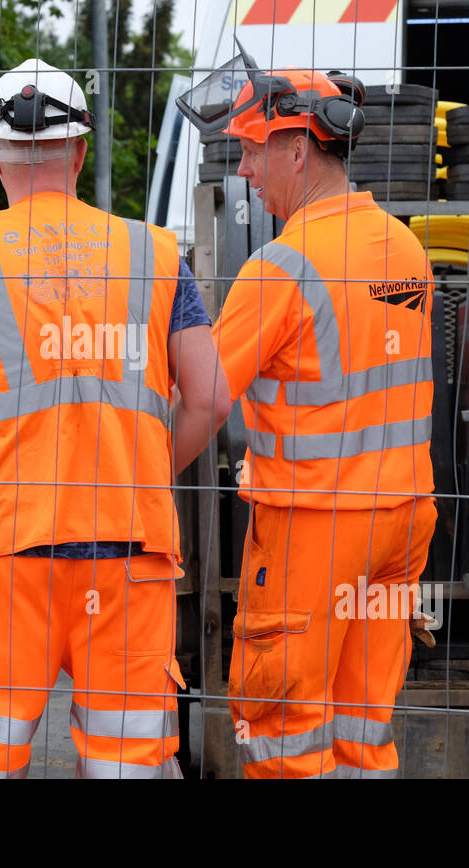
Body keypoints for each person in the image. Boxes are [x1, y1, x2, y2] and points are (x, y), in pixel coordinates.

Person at [0, 58, 229, 778]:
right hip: (129, 561)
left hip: (4, 557)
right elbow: (208, 399)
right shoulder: (153, 254)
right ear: (80, 151)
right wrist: (140, 473)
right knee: (128, 764)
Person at [179, 47, 436, 778]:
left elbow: (204, 398)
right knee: (362, 730)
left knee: (284, 731)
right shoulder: (405, 249)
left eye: (254, 151)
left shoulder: (280, 269)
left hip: (316, 528)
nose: (246, 172)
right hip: (401, 522)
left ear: (298, 148)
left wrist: (138, 479)